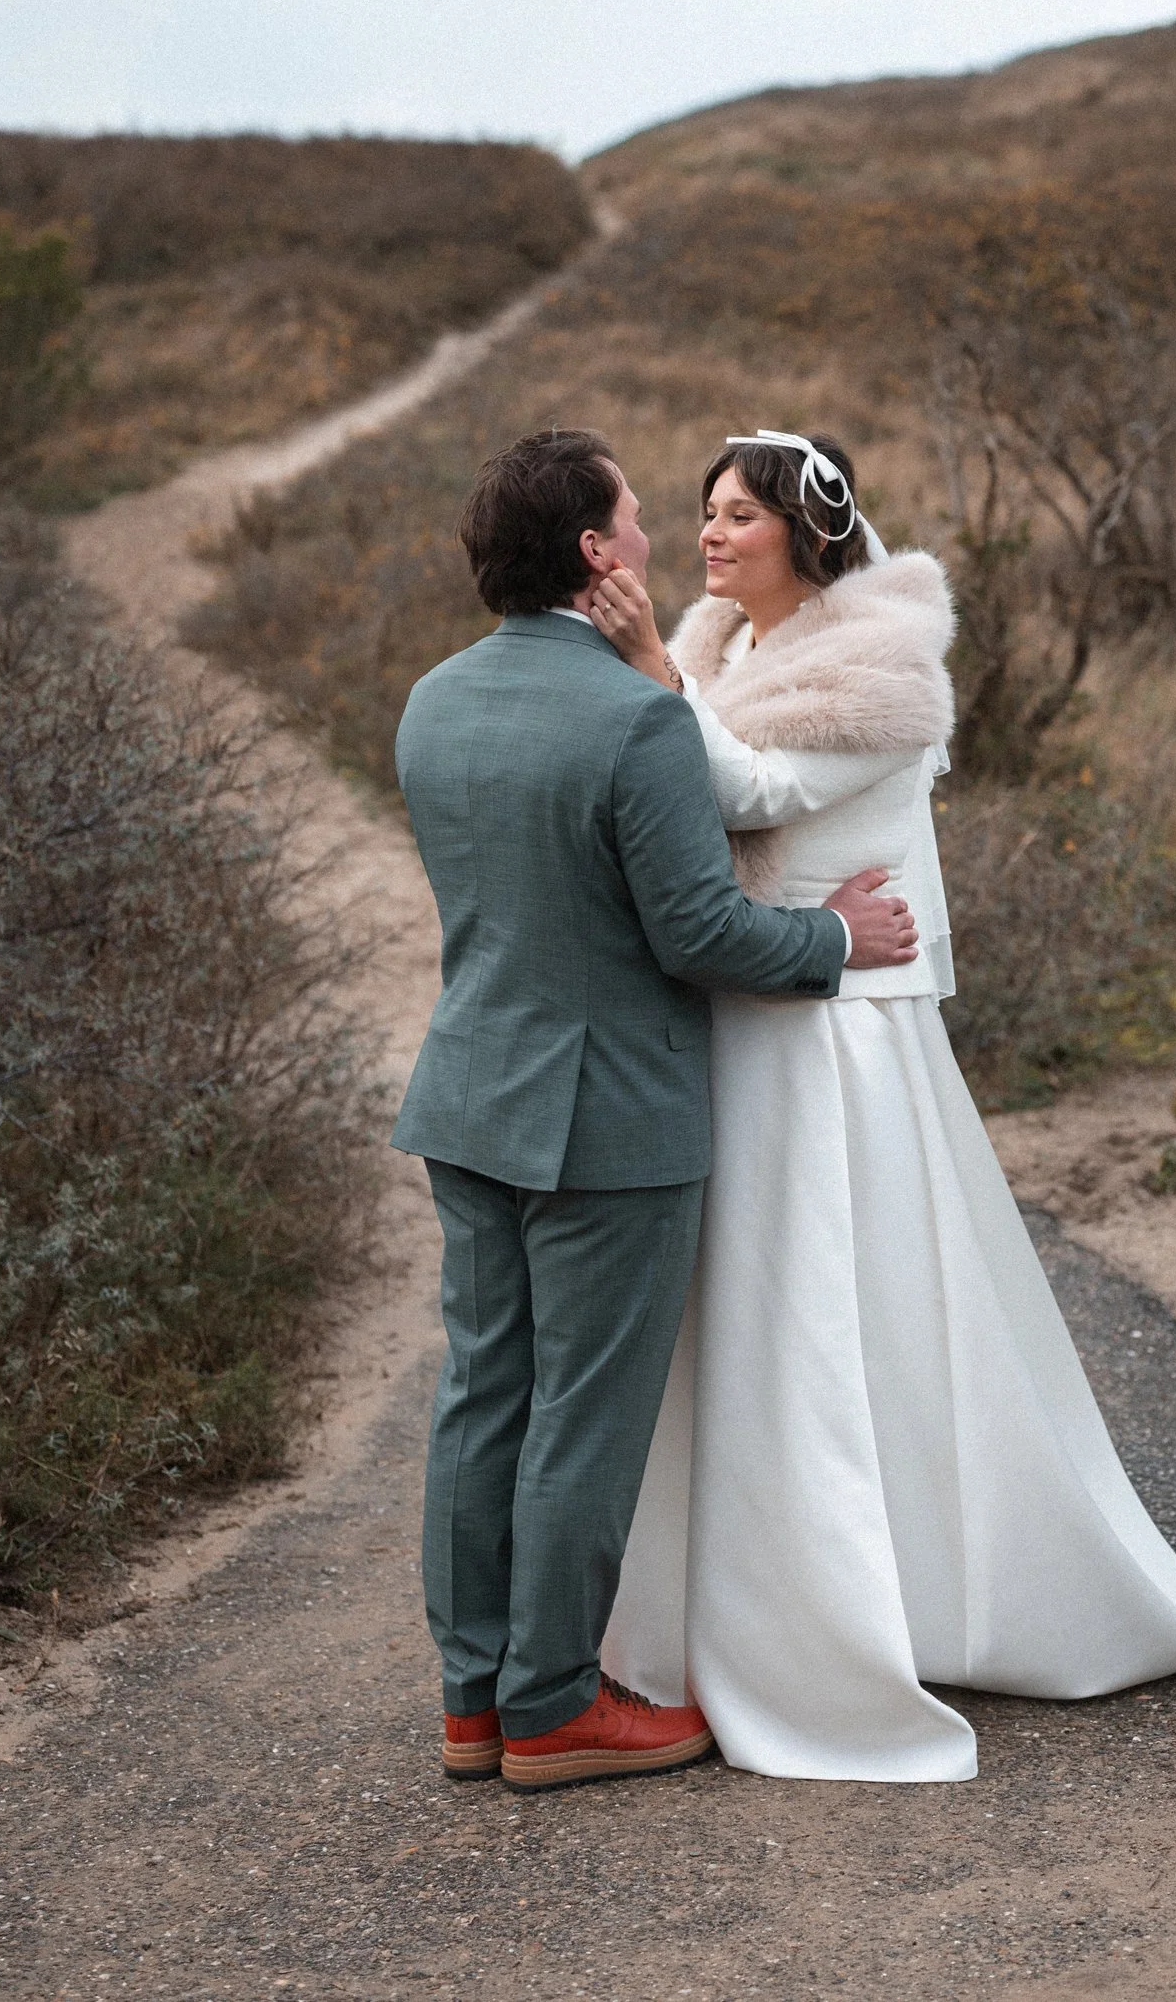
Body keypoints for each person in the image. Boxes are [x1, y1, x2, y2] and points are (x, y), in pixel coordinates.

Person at [590, 429, 1176, 1782]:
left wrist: (647, 664)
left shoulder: (880, 670)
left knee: (839, 1305)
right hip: (758, 1001)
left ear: (808, 533)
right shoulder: (723, 653)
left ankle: (902, 1601)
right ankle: (735, 1592)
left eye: (739, 518)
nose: (711, 539)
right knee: (750, 1312)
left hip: (835, 1036)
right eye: (702, 515)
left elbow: (754, 789)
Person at [391, 428, 920, 1792]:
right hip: (606, 1119)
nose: (657, 536)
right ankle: (554, 1706)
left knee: (480, 1395)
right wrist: (830, 944)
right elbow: (698, 935)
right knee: (580, 1409)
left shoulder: (433, 700)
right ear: (591, 551)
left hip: (467, 1096)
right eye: (636, 516)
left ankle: (471, 1703)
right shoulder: (634, 716)